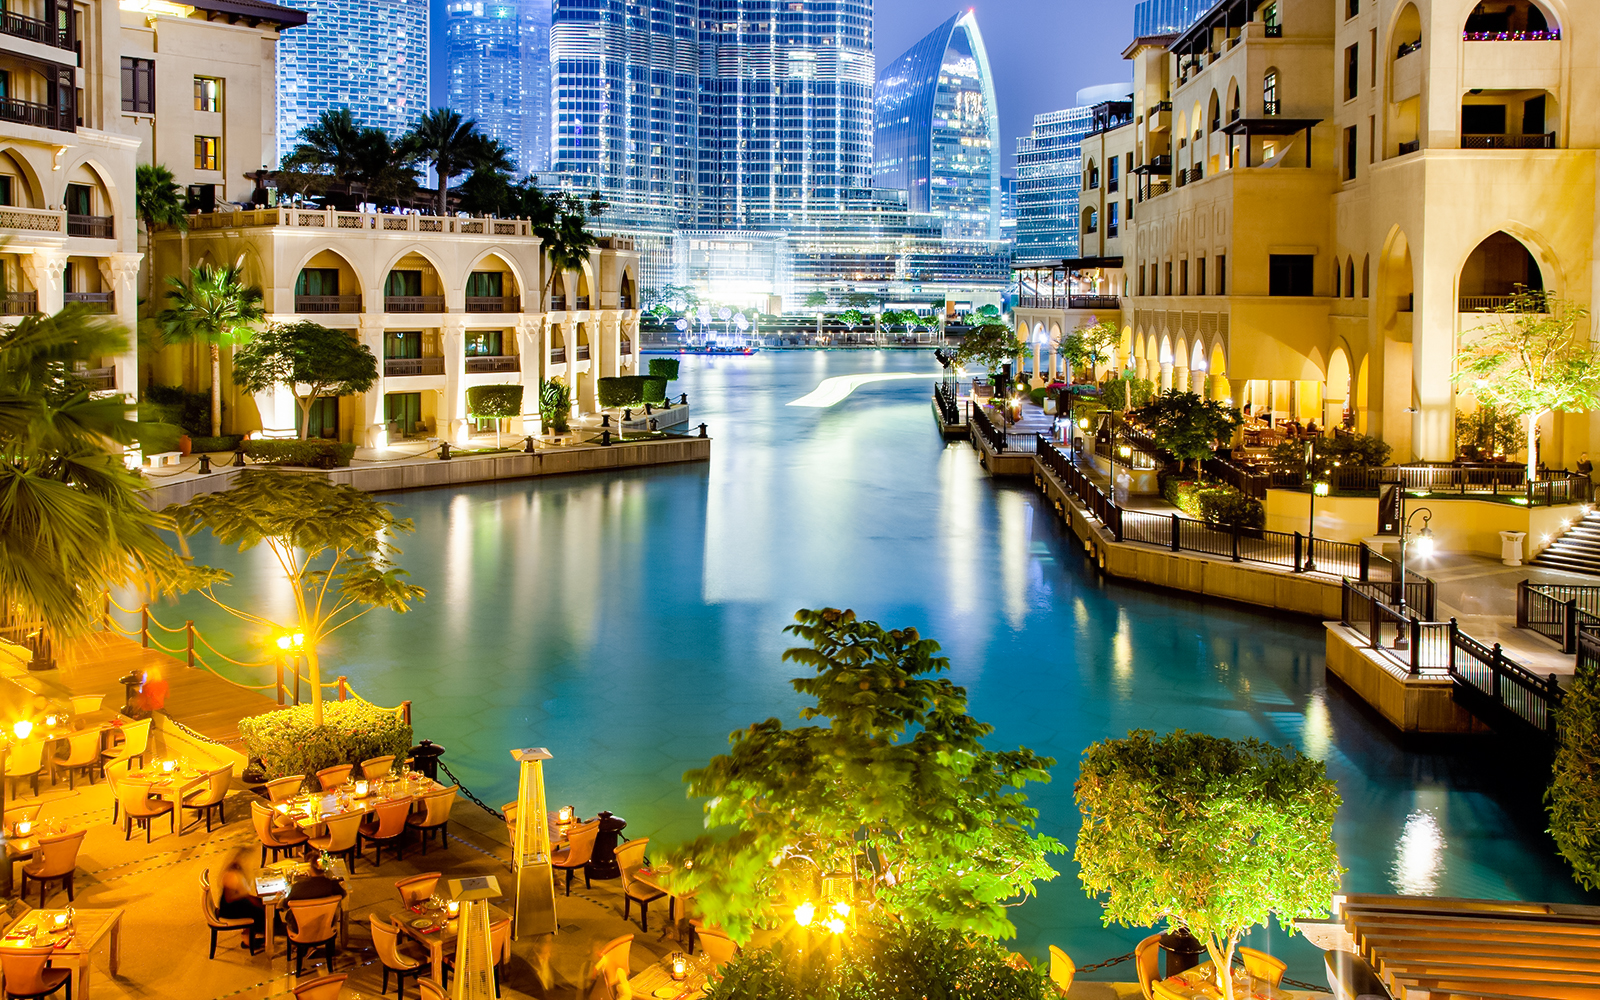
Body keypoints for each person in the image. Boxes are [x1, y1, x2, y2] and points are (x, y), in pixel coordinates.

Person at [209, 847, 265, 939]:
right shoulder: (231, 875)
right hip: (230, 909)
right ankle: (250, 938)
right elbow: (230, 898)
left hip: (235, 903)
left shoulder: (237, 871)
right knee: (259, 911)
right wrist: (249, 898)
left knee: (262, 903)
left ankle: (258, 932)